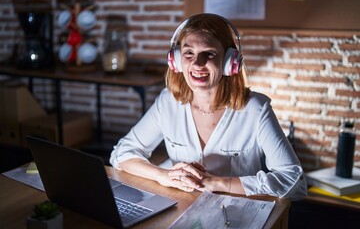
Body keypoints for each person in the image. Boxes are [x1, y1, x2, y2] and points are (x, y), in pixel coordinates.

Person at [110, 13, 307, 200]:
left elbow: (294, 182)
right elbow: (121, 154)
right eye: (189, 52)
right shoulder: (167, 102)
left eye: (209, 53)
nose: (197, 63)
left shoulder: (256, 109)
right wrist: (163, 175)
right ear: (177, 60)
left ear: (230, 61)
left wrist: (218, 183)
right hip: (182, 207)